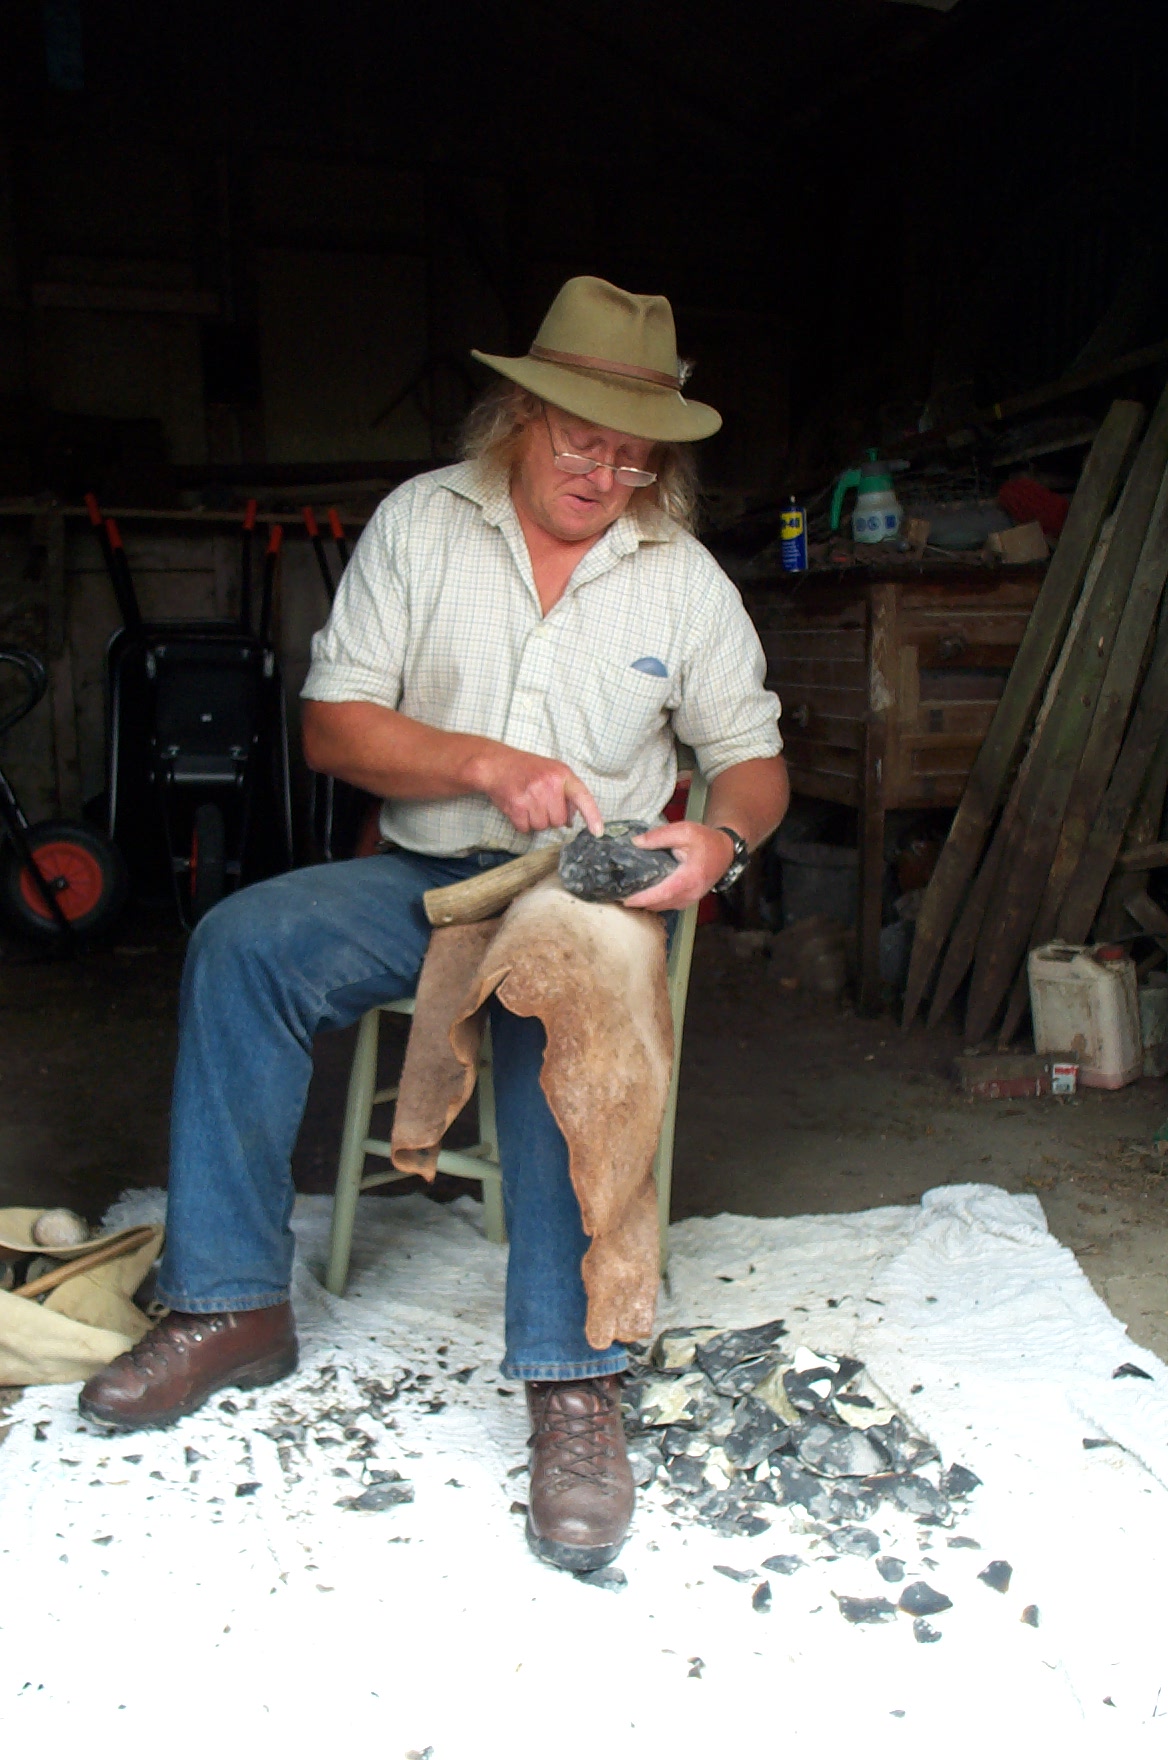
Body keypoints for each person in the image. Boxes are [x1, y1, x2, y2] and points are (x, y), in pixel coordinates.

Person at [79, 275, 789, 1572]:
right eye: (582, 440)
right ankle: (232, 1306)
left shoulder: (679, 577)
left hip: (586, 892)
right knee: (241, 946)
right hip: (424, 878)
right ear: (521, 416)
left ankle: (573, 1383)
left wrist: (720, 841)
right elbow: (333, 726)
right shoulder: (421, 523)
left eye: (635, 455)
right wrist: (481, 765)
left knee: (562, 991)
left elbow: (751, 757)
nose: (607, 475)